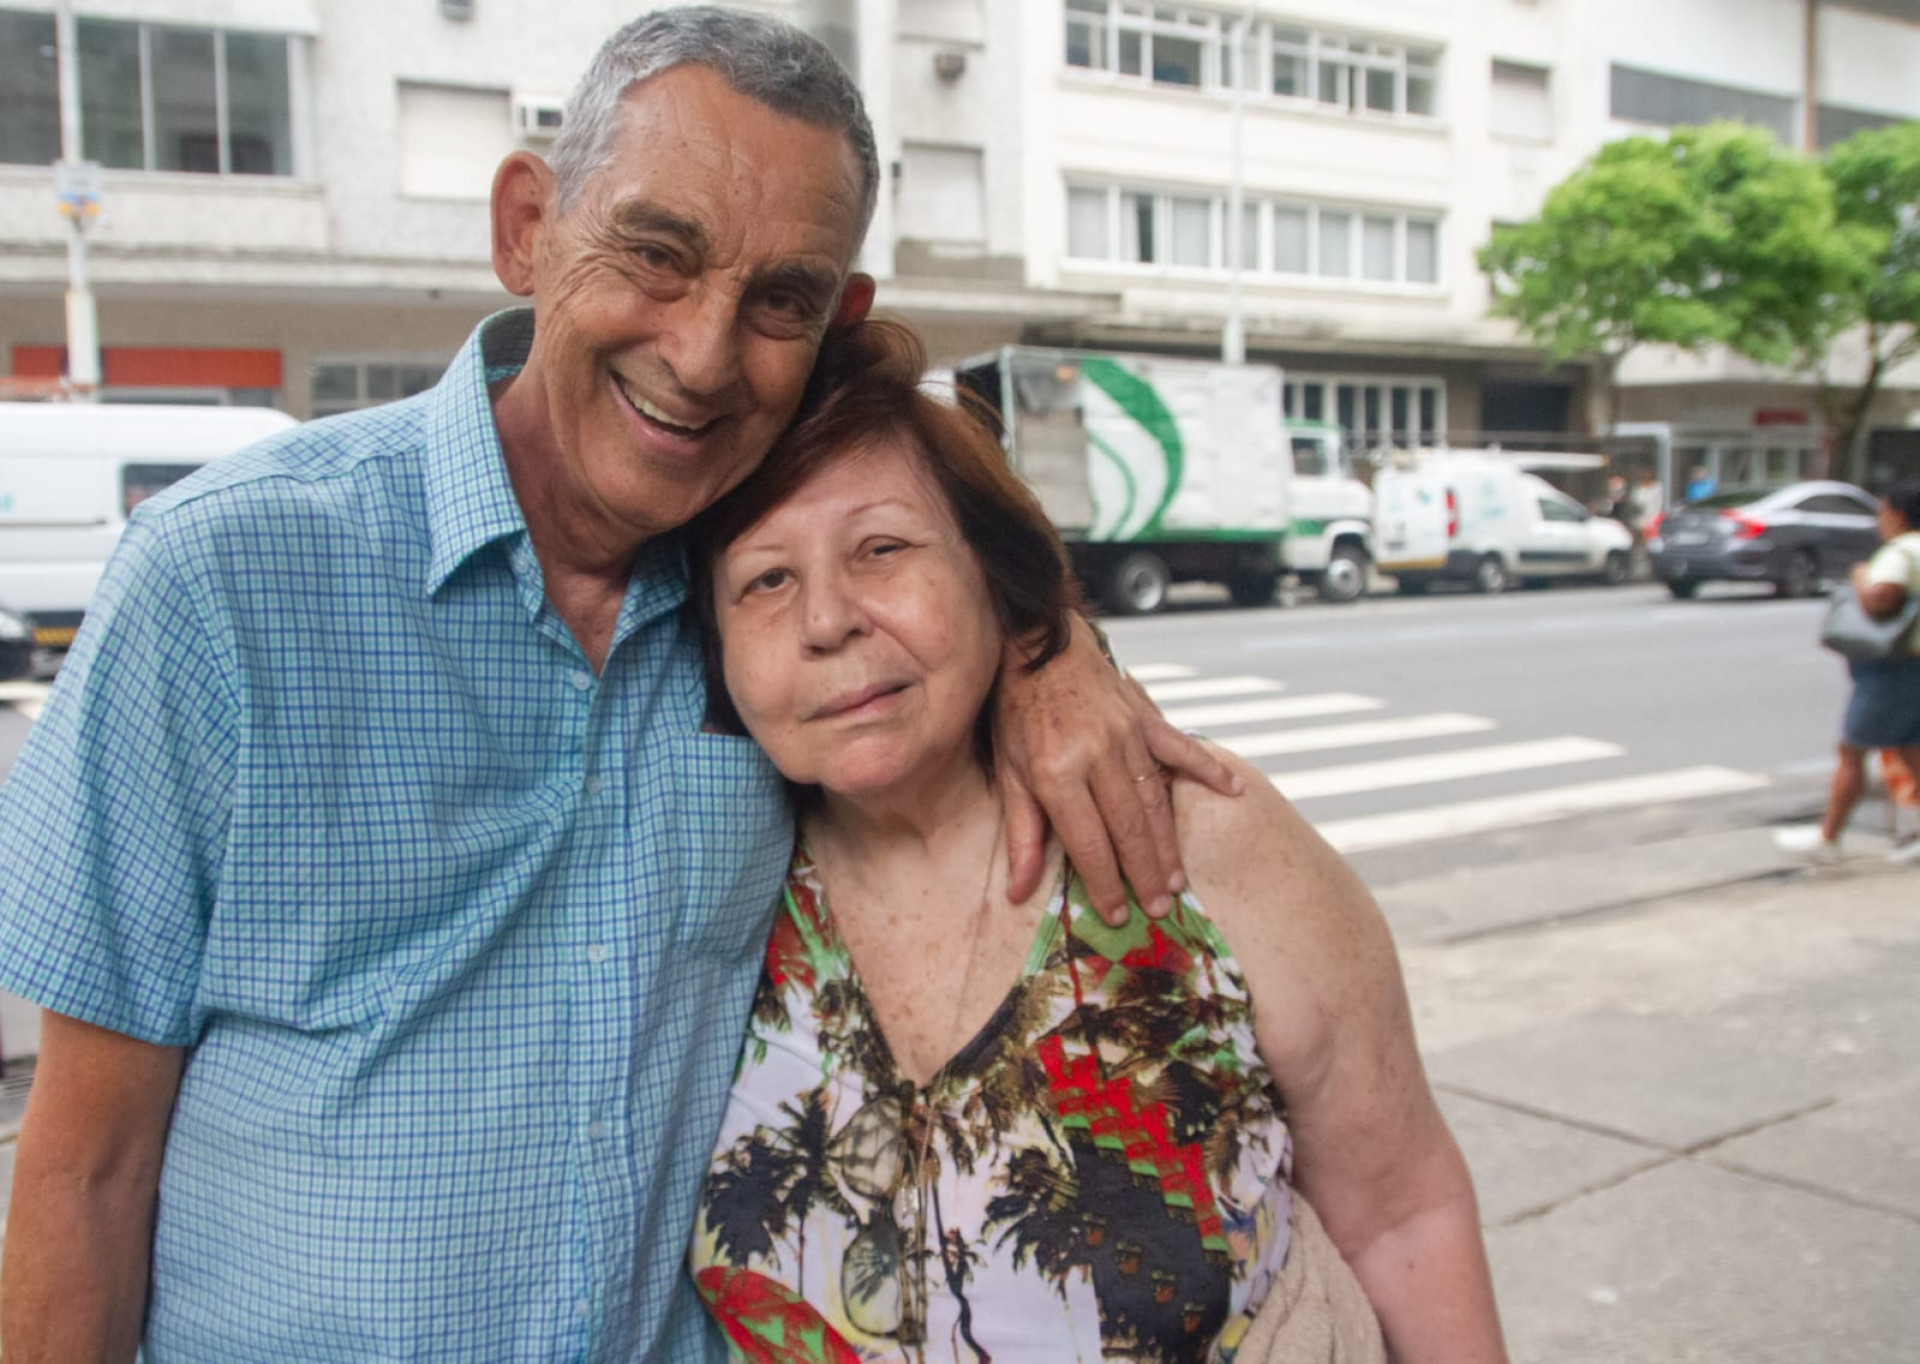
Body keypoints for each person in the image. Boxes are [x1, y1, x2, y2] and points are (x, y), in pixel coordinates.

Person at [0, 12, 1231, 1361]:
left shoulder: (776, 613)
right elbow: (84, 1172)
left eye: (779, 302)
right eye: (656, 253)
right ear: (528, 225)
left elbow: (944, 569)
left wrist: (1055, 647)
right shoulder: (224, 581)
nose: (704, 355)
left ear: (834, 327)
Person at [683, 320, 1508, 1362]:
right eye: (766, 580)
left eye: (882, 548)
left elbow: (1402, 1213)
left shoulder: (1192, 837)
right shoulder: (716, 876)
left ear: (1000, 583)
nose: (827, 620)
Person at [1775, 478, 1920, 866]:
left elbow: (1881, 599)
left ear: (1899, 514)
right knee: (1911, 749)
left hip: (1895, 667)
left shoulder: (1900, 552)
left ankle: (1828, 837)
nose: (1879, 519)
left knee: (1853, 749)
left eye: (1883, 511)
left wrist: (1859, 577)